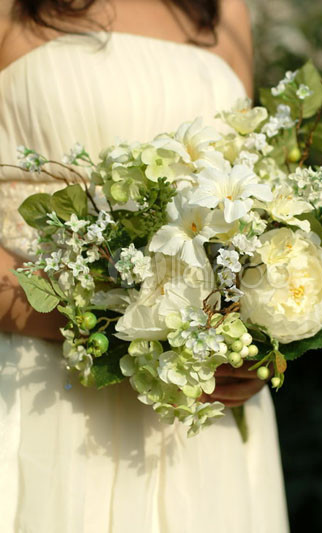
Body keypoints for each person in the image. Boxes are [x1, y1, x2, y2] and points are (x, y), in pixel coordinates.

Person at [0, 1, 290, 531]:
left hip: (203, 414)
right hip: (46, 376)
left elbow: (250, 195)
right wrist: (130, 333)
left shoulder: (224, 8)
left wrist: (259, 340)